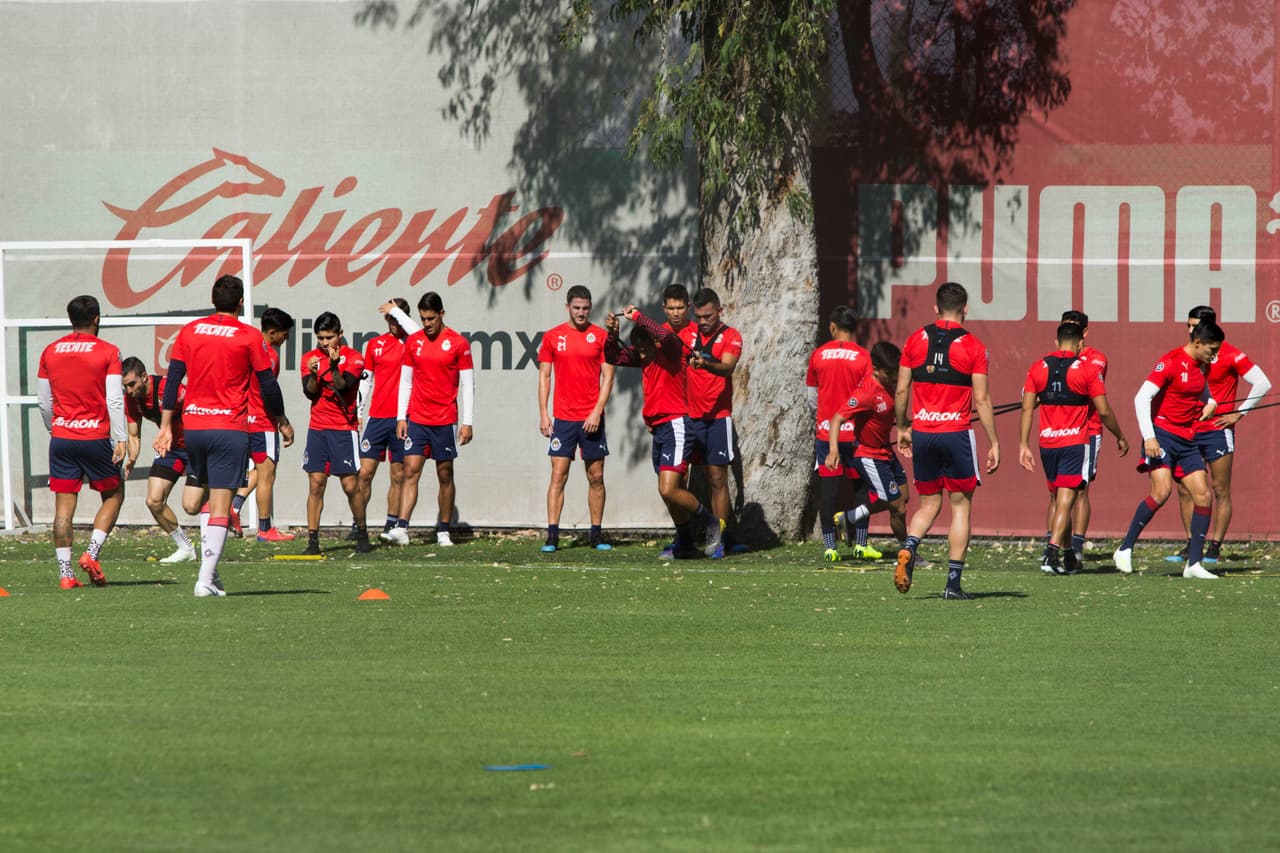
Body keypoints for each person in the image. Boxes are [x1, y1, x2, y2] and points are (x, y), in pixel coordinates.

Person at [153, 274, 285, 597]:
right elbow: (268, 386)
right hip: (228, 428)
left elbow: (172, 380)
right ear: (241, 302)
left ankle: (211, 573)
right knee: (222, 506)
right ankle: (205, 580)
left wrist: (166, 425)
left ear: (213, 300)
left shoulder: (190, 331)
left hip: (194, 428)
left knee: (204, 501)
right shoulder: (249, 336)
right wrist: (281, 419)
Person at [893, 281, 999, 600]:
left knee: (928, 504)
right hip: (956, 433)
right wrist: (994, 441)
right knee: (960, 508)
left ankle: (909, 545)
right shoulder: (974, 346)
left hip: (923, 433)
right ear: (965, 309)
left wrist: (902, 427)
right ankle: (952, 585)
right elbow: (982, 399)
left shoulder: (914, 340)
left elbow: (901, 389)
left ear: (936, 308)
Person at [605, 305, 721, 558]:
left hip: (676, 424)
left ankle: (712, 523)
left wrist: (637, 316)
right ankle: (686, 543)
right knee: (667, 492)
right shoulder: (644, 356)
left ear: (654, 344)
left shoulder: (669, 351)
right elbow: (613, 357)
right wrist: (613, 334)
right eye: (638, 349)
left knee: (669, 489)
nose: (641, 354)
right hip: (659, 429)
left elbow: (665, 336)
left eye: (645, 348)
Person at [1112, 320, 1225, 579]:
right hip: (1162, 435)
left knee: (1203, 495)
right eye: (1212, 349)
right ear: (1198, 343)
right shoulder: (1171, 361)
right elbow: (1141, 398)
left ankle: (1193, 564)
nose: (1214, 355)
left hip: (1187, 439)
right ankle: (1125, 548)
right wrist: (1149, 437)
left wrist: (1211, 402)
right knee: (1161, 492)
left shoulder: (1203, 365)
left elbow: (1203, 392)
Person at [1018, 323, 1129, 575]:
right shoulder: (1089, 370)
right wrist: (1120, 436)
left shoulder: (1037, 367)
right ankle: (1051, 553)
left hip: (1047, 443)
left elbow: (1026, 408)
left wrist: (1023, 445)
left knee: (1059, 499)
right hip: (1074, 443)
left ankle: (1067, 554)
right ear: (1080, 344)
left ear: (1057, 342)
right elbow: (1104, 411)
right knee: (1066, 500)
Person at [1170, 305, 1272, 563]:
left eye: (1194, 325)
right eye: (1187, 325)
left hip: (1217, 430)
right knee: (1184, 488)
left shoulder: (1229, 353)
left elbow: (1262, 382)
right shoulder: (1187, 354)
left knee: (1220, 488)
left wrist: (1240, 413)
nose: (1189, 330)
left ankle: (1214, 548)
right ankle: (1192, 544)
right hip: (1189, 428)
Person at [37, 295, 126, 589]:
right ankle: (91, 554)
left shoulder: (50, 351)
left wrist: (54, 429)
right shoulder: (109, 351)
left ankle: (65, 575)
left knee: (63, 508)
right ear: (97, 319)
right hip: (94, 436)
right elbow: (114, 399)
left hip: (62, 438)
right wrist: (121, 438)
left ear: (70, 319)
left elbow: (44, 402)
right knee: (114, 495)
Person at [383, 292, 474, 547]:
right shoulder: (414, 342)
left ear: (441, 314)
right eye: (423, 319)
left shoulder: (458, 343)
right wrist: (401, 417)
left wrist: (467, 421)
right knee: (410, 470)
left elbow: (468, 384)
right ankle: (402, 528)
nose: (427, 323)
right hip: (418, 419)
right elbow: (406, 381)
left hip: (445, 419)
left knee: (445, 474)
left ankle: (443, 531)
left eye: (431, 318)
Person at [537, 285, 614, 552]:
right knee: (558, 475)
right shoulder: (552, 337)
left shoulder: (601, 337)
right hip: (563, 419)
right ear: (567, 307)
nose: (581, 313)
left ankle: (596, 535)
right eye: (576, 308)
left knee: (596, 476)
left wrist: (597, 411)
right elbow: (545, 376)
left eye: (585, 308)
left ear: (590, 308)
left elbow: (608, 377)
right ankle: (552, 536)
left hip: (591, 419)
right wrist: (544, 413)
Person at [826, 342, 911, 560]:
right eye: (889, 373)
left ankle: (849, 517)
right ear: (876, 369)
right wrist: (833, 450)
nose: (894, 377)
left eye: (896, 372)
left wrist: (907, 427)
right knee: (898, 508)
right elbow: (836, 419)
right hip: (869, 455)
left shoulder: (889, 384)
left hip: (885, 452)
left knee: (903, 497)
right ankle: (908, 552)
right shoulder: (866, 393)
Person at [804, 305, 872, 562]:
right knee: (862, 488)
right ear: (855, 328)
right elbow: (868, 396)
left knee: (828, 492)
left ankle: (829, 548)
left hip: (825, 434)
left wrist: (825, 419)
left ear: (832, 326)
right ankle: (861, 544)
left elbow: (811, 398)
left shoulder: (818, 355)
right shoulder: (864, 357)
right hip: (855, 434)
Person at [299, 312, 370, 555]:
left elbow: (343, 385)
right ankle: (313, 541)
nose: (324, 342)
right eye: (320, 338)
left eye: (329, 337)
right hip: (318, 428)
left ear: (340, 334)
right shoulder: (309, 358)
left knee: (350, 486)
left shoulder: (354, 358)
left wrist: (333, 365)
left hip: (343, 429)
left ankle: (362, 532)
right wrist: (312, 374)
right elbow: (310, 393)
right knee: (316, 484)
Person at [680, 287, 743, 558]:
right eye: (699, 316)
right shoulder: (686, 334)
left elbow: (727, 367)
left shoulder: (731, 336)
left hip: (717, 418)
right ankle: (683, 538)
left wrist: (704, 364)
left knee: (717, 478)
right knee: (676, 478)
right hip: (688, 417)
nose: (703, 321)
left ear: (720, 310)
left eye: (708, 316)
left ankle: (720, 539)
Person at [121, 356, 200, 564]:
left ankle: (221, 499)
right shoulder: (131, 399)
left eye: (132, 384)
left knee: (191, 506)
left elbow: (196, 407)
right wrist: (132, 458)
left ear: (144, 377)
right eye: (125, 386)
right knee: (153, 501)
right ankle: (186, 548)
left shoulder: (167, 388)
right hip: (171, 448)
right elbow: (134, 434)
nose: (129, 390)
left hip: (195, 447)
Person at [232, 307, 296, 541]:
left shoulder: (246, 350)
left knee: (260, 471)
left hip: (242, 420)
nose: (285, 339)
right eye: (284, 335)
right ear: (272, 333)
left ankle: (234, 507)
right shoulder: (269, 355)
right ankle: (265, 529)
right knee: (267, 475)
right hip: (262, 421)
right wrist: (283, 421)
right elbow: (268, 392)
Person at [354, 298, 413, 540]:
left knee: (398, 475)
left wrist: (397, 312)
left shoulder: (415, 342)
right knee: (364, 473)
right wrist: (358, 411)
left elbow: (416, 332)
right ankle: (359, 525)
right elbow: (366, 380)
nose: (393, 323)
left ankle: (390, 526)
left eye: (397, 318)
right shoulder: (375, 344)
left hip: (402, 419)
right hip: (377, 418)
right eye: (390, 318)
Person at [1056, 309, 1108, 564]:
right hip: (1059, 429)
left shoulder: (1096, 359)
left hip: (1088, 430)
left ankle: (1076, 545)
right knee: (1056, 492)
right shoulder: (1053, 360)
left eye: (1074, 327)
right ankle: (1054, 543)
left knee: (1080, 490)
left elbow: (1085, 388)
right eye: (1065, 326)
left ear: (1085, 332)